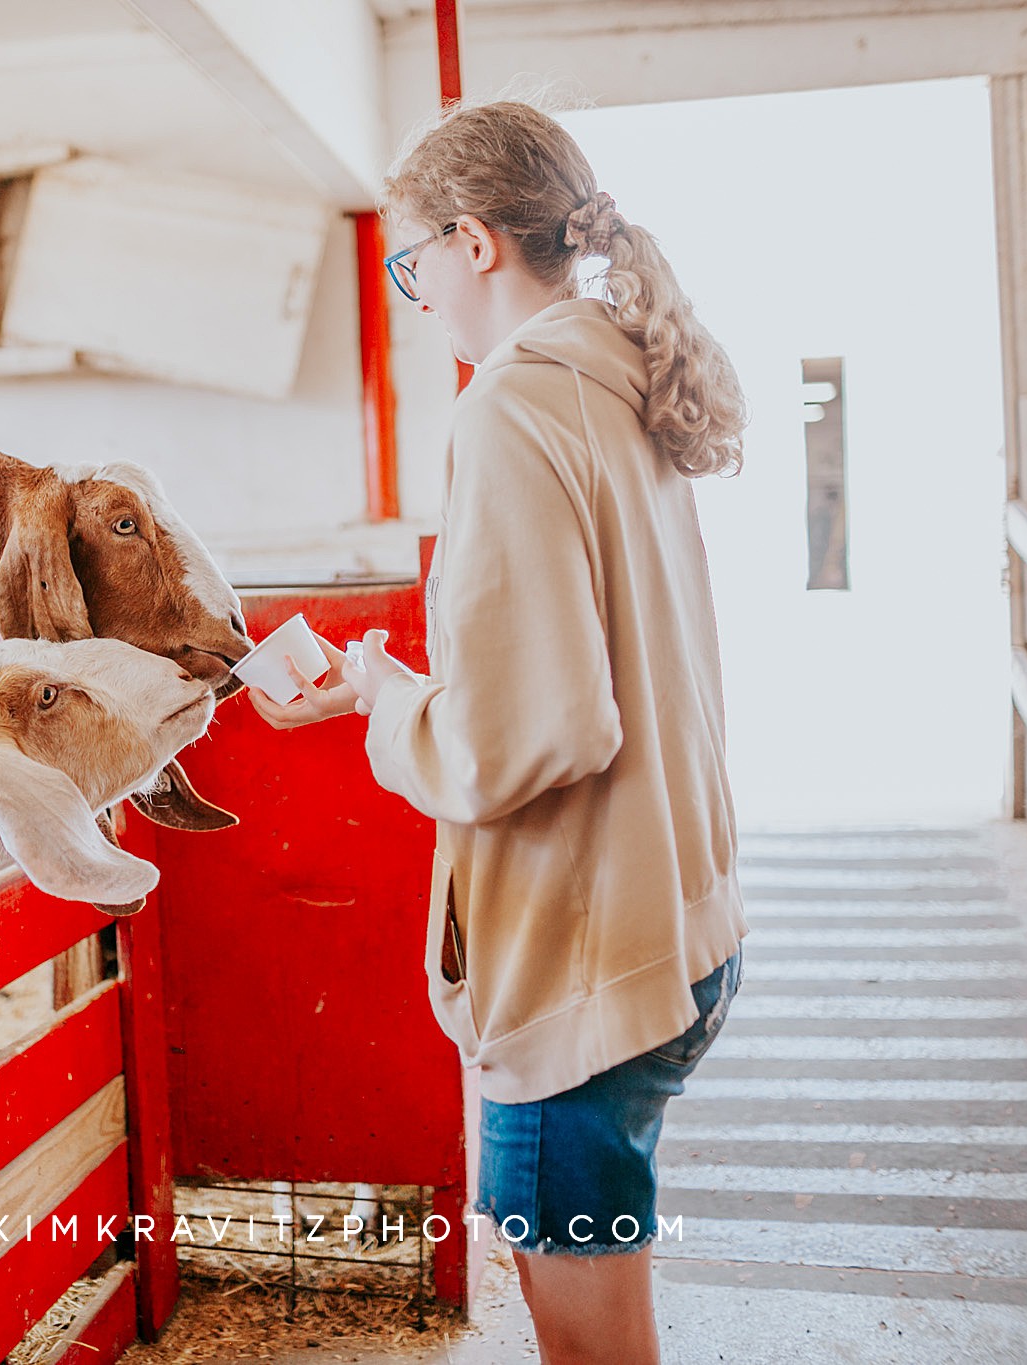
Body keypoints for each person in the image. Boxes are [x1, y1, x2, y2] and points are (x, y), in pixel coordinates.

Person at [247, 100, 749, 1365]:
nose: (411, 292)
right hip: (678, 920)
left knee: (588, 1347)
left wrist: (381, 697)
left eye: (409, 260)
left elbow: (522, 740)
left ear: (473, 245)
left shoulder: (510, 406)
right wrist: (401, 683)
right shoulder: (619, 375)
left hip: (585, 965)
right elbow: (592, 675)